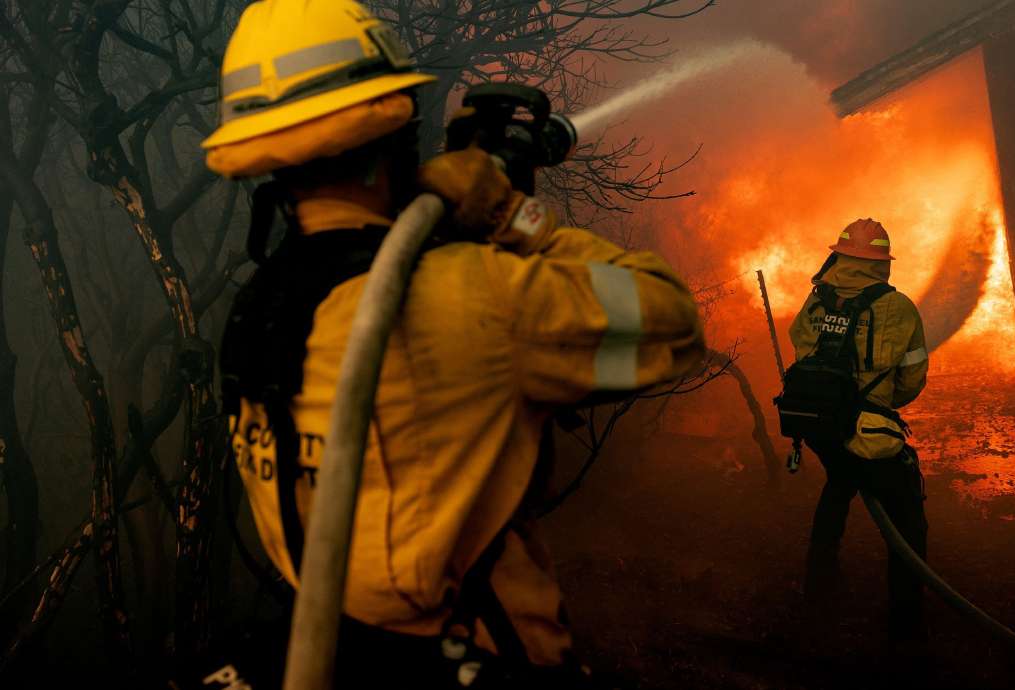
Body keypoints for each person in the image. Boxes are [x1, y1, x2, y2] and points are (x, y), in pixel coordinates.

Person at [203, 1, 705, 686]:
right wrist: (512, 214)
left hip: (335, 647)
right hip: (474, 655)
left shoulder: (261, 306)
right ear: (393, 137)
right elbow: (672, 324)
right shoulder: (474, 300)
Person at [786, 218, 930, 646]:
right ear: (882, 263)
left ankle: (819, 585)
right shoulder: (898, 307)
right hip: (869, 431)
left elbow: (802, 354)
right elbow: (912, 377)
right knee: (908, 521)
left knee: (838, 483)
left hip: (818, 427)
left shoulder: (815, 301)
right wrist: (881, 406)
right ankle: (906, 623)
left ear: (841, 256)